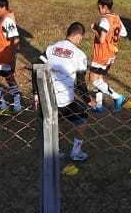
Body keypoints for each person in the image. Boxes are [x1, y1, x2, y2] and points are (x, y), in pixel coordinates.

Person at [44, 22, 90, 161]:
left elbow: (37, 66)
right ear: (77, 36)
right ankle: (76, 152)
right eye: (81, 38)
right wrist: (89, 100)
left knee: (54, 124)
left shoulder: (50, 49)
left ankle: (53, 152)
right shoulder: (79, 54)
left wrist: (36, 94)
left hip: (49, 98)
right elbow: (80, 83)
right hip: (65, 101)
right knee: (82, 119)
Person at [88, 0, 128, 113]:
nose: (98, 10)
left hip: (101, 54)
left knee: (93, 79)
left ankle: (118, 97)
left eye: (99, 7)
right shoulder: (116, 17)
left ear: (105, 7)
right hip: (111, 54)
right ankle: (99, 106)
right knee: (99, 79)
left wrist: (95, 29)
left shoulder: (104, 20)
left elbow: (101, 39)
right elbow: (124, 33)